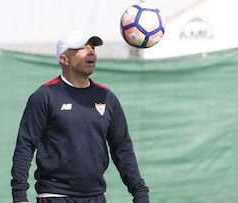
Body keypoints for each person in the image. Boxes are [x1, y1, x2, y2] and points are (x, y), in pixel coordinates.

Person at [10, 31, 150, 203]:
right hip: (55, 196)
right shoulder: (45, 95)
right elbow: (25, 145)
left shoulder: (107, 97)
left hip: (96, 197)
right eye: (82, 48)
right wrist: (19, 196)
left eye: (93, 47)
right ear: (64, 59)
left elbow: (123, 149)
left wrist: (140, 192)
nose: (91, 51)